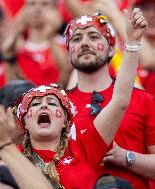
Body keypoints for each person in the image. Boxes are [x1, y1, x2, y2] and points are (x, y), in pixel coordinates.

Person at [0, 8, 147, 188]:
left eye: (52, 103)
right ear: (24, 121)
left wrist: (132, 43)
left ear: (66, 121)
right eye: (34, 104)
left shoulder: (84, 147)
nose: (44, 106)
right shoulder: (10, 153)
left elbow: (120, 101)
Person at [65, 9, 155, 189]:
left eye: (93, 36)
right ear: (68, 54)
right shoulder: (56, 105)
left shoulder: (143, 100)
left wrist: (126, 157)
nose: (84, 43)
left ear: (111, 49)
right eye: (76, 39)